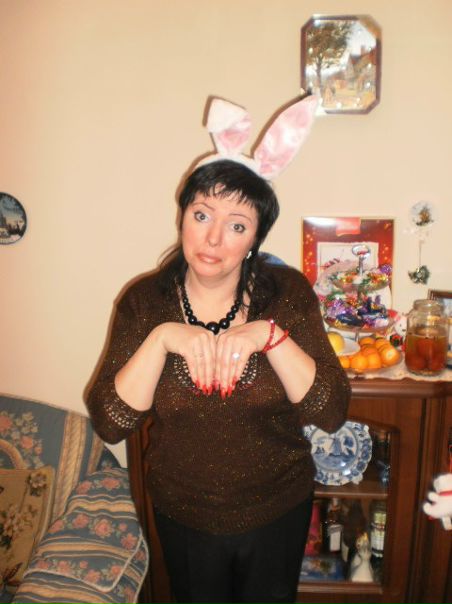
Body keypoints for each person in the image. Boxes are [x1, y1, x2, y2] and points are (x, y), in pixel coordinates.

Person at [86, 95, 350, 604]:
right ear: (182, 216)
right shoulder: (145, 302)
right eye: (202, 214)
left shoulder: (287, 295)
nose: (213, 239)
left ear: (254, 239)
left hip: (278, 508)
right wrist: (163, 338)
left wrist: (268, 335)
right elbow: (111, 421)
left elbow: (331, 411)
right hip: (183, 514)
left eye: (236, 225)